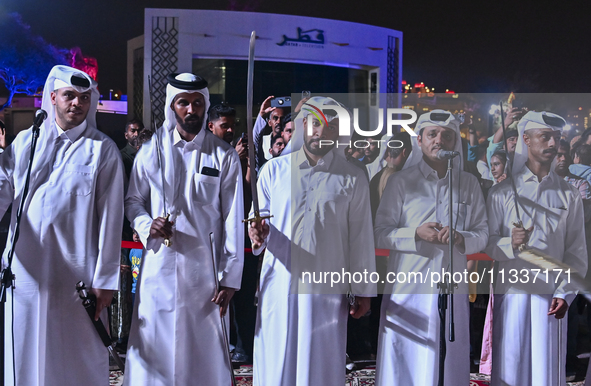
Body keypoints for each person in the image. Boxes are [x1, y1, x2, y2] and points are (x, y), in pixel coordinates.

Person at [0, 65, 125, 386]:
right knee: (25, 355)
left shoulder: (103, 150)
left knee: (76, 358)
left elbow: (112, 219)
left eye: (85, 98)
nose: (77, 104)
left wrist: (106, 280)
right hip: (26, 276)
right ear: (52, 97)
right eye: (69, 96)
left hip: (78, 281)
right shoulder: (27, 141)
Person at [124, 72, 244, 385]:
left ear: (205, 106)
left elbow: (233, 219)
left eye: (197, 103)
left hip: (205, 277)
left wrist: (230, 277)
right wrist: (148, 224)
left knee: (203, 356)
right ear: (172, 107)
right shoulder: (151, 151)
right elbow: (133, 201)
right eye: (183, 103)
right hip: (158, 271)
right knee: (155, 352)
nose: (191, 109)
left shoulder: (224, 155)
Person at [248, 96, 376, 386]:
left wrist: (364, 290)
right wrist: (257, 234)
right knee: (276, 358)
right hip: (278, 283)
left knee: (319, 361)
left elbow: (361, 238)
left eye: (331, 127)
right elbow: (257, 223)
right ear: (304, 124)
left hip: (326, 290)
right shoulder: (274, 171)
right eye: (317, 123)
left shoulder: (353, 178)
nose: (322, 132)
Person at [374, 109, 488, 385]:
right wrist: (415, 233)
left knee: (448, 358)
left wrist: (461, 238)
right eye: (433, 134)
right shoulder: (401, 182)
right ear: (420, 140)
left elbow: (483, 234)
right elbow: (380, 234)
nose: (440, 140)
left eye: (447, 135)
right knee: (406, 358)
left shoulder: (469, 184)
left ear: (454, 143)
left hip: (452, 287)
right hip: (408, 288)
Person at [485, 111, 587, 386]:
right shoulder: (501, 193)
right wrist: (510, 243)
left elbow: (576, 251)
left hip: (551, 297)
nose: (553, 144)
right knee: (510, 367)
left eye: (556, 137)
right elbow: (488, 244)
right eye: (545, 137)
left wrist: (565, 294)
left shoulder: (569, 194)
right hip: (513, 294)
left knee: (547, 371)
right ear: (526, 140)